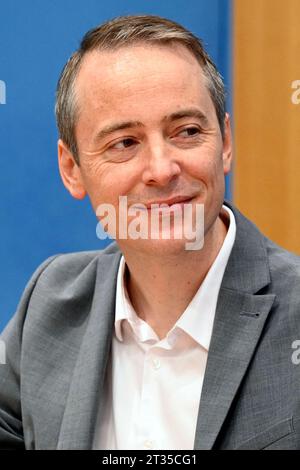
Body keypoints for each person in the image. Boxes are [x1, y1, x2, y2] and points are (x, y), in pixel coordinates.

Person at [0, 14, 300, 451]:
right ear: (72, 169)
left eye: (188, 132)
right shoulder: (50, 302)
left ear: (226, 142)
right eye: (125, 143)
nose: (162, 169)